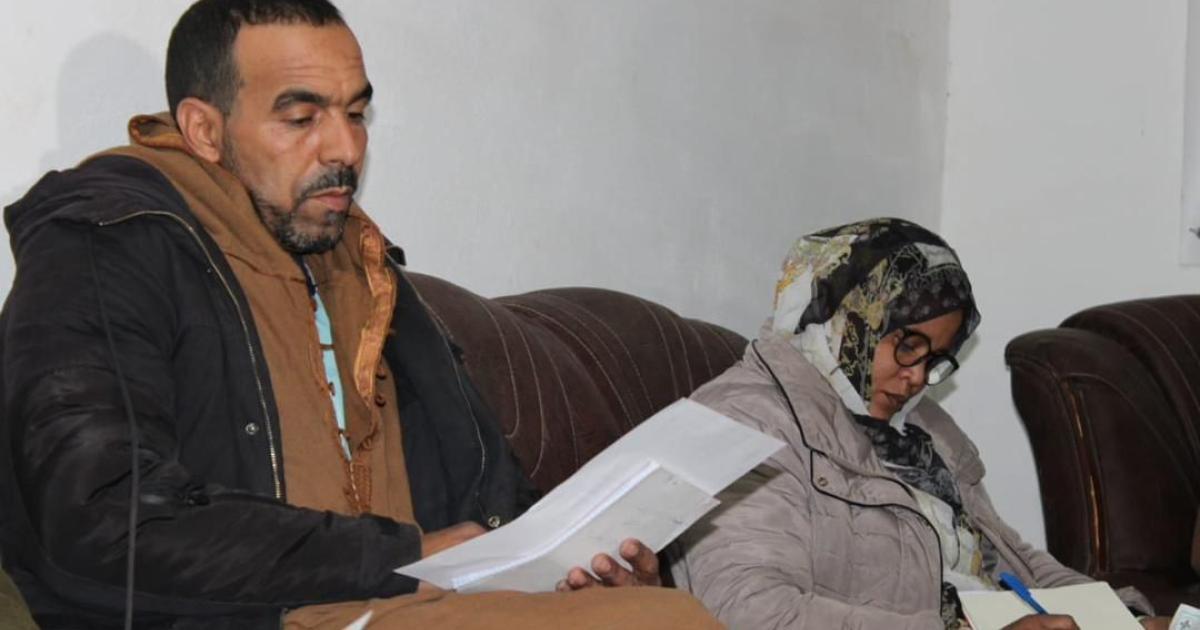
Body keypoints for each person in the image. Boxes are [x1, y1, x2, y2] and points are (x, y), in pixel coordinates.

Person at [0, 1, 719, 628]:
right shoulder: (103, 246)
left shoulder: (362, 266)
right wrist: (398, 556)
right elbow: (102, 513)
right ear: (205, 130)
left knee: (656, 612)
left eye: (354, 113)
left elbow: (492, 501)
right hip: (255, 616)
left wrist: (573, 566)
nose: (345, 148)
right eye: (301, 117)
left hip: (412, 602)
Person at [669, 218, 1170, 629]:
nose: (916, 378)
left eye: (935, 359)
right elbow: (751, 611)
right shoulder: (743, 420)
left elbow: (1009, 559)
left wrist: (1123, 621)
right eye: (907, 346)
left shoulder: (920, 425)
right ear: (849, 319)